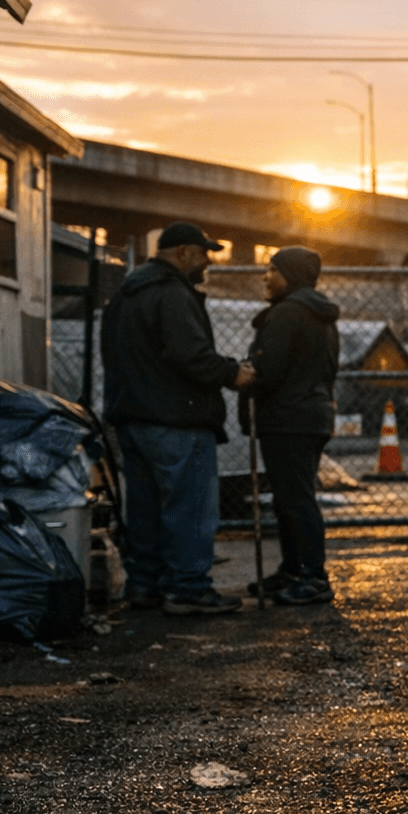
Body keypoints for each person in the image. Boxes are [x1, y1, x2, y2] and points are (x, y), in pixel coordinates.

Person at [102, 221, 255, 615]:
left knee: (145, 511)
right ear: (184, 253)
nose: (206, 262)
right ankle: (187, 589)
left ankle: (145, 586)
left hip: (132, 418)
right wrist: (231, 373)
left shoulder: (127, 292)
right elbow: (189, 354)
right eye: (203, 253)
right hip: (176, 418)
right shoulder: (172, 294)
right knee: (190, 508)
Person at [240, 246, 340, 606]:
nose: (265, 277)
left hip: (288, 416)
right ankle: (295, 568)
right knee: (292, 496)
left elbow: (271, 369)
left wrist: (248, 372)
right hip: (311, 413)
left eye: (273, 270)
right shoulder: (319, 315)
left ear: (291, 275)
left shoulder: (287, 314)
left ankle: (312, 575)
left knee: (294, 498)